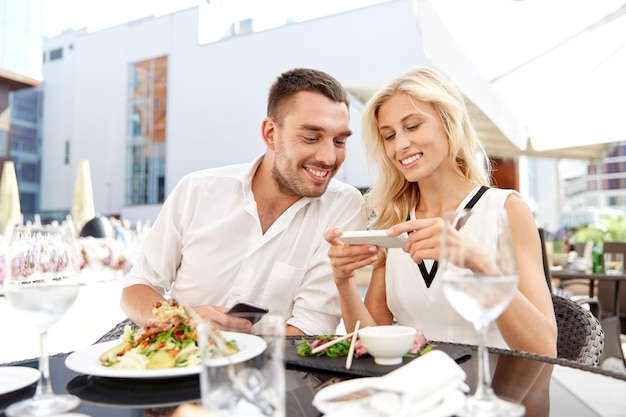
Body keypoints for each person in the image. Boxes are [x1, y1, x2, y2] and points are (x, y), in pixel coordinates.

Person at [325, 67, 557, 356]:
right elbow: (370, 342)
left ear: (449, 124)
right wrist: (343, 282)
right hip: (414, 393)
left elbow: (545, 348)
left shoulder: (506, 209)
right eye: (389, 136)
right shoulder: (395, 223)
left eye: (412, 126)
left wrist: (478, 262)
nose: (400, 145)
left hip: (492, 392)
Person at [121, 68, 366, 336]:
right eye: (311, 138)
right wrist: (180, 320)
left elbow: (312, 326)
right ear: (270, 133)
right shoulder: (197, 190)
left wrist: (234, 356)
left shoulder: (343, 206)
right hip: (178, 365)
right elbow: (137, 288)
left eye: (340, 141)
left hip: (271, 373)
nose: (329, 158)